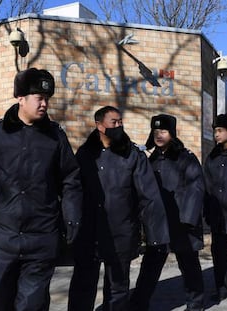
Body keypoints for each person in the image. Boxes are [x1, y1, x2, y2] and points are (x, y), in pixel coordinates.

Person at [0, 68, 82, 311]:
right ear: (21, 98)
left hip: (42, 238)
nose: (44, 104)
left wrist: (71, 219)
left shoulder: (55, 138)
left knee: (33, 304)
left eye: (47, 99)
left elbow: (70, 179)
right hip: (2, 239)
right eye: (39, 98)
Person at [68, 106, 169, 311]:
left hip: (121, 233)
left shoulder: (132, 155)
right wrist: (71, 225)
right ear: (99, 126)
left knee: (117, 289)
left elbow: (148, 196)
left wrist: (156, 235)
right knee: (82, 285)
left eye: (120, 122)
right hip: (89, 232)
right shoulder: (85, 154)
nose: (119, 126)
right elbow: (73, 192)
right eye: (114, 122)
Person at [131, 114, 205, 311]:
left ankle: (195, 304)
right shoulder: (150, 160)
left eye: (163, 131)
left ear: (172, 133)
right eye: (155, 132)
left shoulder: (185, 158)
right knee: (150, 267)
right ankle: (139, 304)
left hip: (182, 224)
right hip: (158, 225)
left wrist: (188, 219)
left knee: (189, 267)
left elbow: (196, 187)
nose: (159, 135)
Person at [204, 113, 227, 303]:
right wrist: (208, 211)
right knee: (219, 257)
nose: (216, 134)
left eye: (219, 131)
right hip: (218, 218)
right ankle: (222, 290)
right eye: (215, 131)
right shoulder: (212, 157)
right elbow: (207, 186)